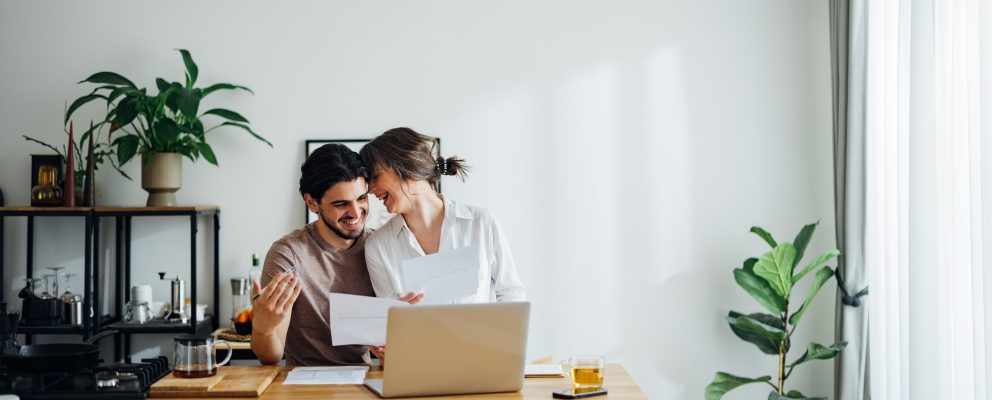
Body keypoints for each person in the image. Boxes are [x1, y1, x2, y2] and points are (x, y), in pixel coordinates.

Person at [250, 144, 420, 365]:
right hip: (304, 386)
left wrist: (397, 346)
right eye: (341, 204)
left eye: (361, 198)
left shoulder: (381, 247)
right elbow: (269, 357)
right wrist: (263, 328)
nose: (356, 212)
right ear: (312, 203)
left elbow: (399, 352)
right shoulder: (288, 253)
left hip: (365, 382)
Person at [360, 127, 527, 303]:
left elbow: (511, 295)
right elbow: (389, 318)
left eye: (376, 176)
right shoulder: (378, 247)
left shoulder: (481, 223)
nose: (370, 189)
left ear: (407, 166)